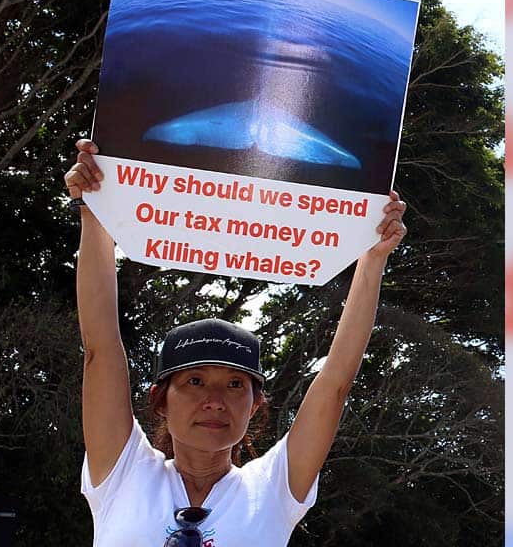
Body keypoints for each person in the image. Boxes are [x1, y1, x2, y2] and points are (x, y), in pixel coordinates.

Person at [64, 139, 407, 546]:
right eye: (194, 381)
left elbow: (334, 383)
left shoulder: (274, 490)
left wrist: (373, 258)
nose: (215, 400)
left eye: (235, 384)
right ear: (160, 399)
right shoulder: (122, 472)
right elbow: (99, 350)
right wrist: (94, 212)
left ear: (256, 403)